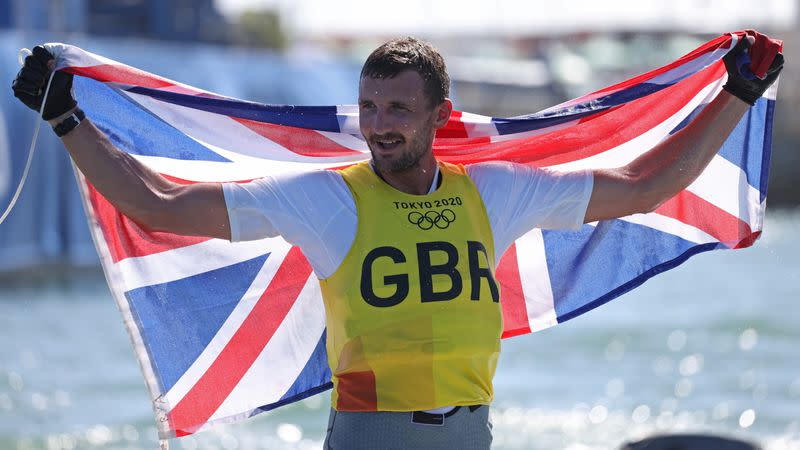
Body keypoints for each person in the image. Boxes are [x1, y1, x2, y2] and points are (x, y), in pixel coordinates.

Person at [12, 35, 783, 449]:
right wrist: (65, 117)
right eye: (370, 106)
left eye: (397, 108)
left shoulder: (495, 192)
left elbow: (647, 184)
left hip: (472, 434)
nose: (380, 123)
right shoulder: (327, 200)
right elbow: (160, 202)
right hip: (371, 442)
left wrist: (736, 96)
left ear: (437, 115)